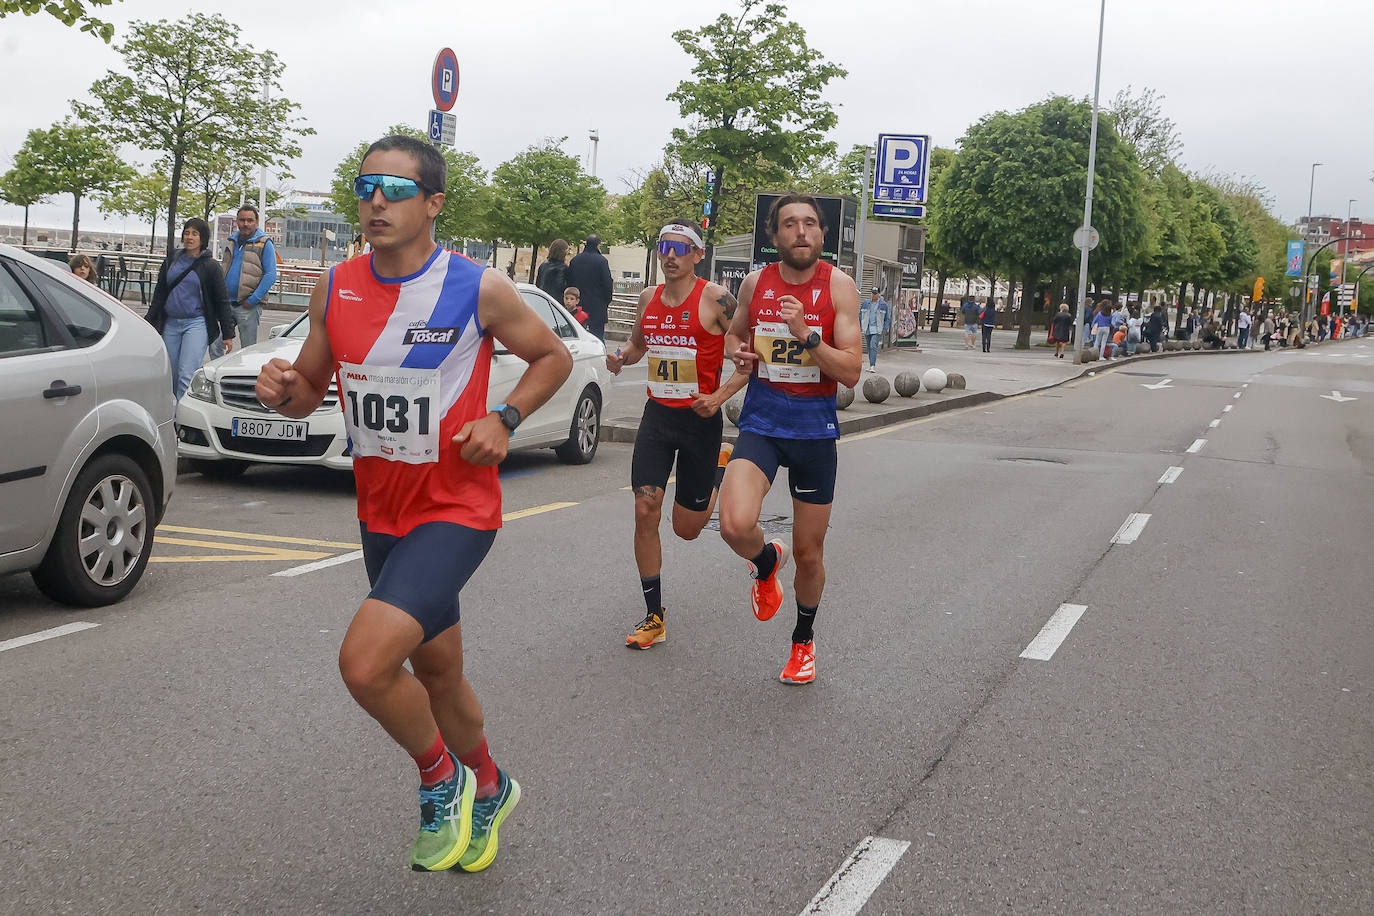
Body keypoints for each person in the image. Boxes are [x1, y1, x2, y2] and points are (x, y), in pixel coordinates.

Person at [254, 135, 572, 873]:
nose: (375, 202)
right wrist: (282, 392)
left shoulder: (476, 287)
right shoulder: (335, 285)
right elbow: (306, 391)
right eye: (367, 187)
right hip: (380, 512)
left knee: (364, 665)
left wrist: (506, 419)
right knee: (438, 673)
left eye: (395, 191)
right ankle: (491, 785)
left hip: (455, 509)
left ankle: (444, 781)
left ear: (433, 204)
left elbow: (552, 357)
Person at [718, 192, 862, 685]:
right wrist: (740, 354)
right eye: (790, 224)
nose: (801, 231)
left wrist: (807, 334)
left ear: (822, 234)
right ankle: (764, 561)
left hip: (814, 435)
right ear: (774, 235)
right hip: (761, 425)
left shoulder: (839, 288)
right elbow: (734, 337)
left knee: (809, 553)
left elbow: (850, 372)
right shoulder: (756, 283)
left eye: (810, 224)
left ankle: (802, 642)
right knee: (735, 525)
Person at [606, 220, 749, 650]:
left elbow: (748, 360)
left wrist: (718, 397)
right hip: (657, 418)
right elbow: (637, 347)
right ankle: (654, 615)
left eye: (680, 248)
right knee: (645, 509)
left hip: (700, 422)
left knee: (686, 529)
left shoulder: (716, 300)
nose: (670, 255)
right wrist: (620, 358)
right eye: (664, 246)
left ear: (697, 256)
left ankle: (717, 473)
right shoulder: (648, 298)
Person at [146, 217, 235, 400]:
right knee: (169, 372)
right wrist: (149, 321)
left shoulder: (210, 266)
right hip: (171, 322)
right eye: (187, 233)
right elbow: (160, 292)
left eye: (195, 233)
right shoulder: (172, 259)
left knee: (186, 374)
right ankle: (170, 415)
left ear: (203, 238)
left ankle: (181, 420)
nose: (190, 237)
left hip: (195, 324)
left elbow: (221, 300)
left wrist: (227, 333)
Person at [210, 203, 278, 357]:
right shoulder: (232, 241)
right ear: (237, 221)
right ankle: (217, 377)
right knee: (215, 342)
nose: (245, 224)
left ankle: (243, 378)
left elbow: (270, 275)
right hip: (225, 303)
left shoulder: (264, 243)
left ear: (256, 222)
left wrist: (253, 300)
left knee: (248, 349)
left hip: (248, 306)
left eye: (249, 220)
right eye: (242, 220)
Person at [566, 233, 613, 341]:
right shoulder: (602, 261)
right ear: (598, 245)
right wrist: (606, 301)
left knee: (576, 337)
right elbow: (607, 284)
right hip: (597, 306)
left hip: (577, 307)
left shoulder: (575, 260)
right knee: (597, 339)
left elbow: (569, 282)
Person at [859, 286, 891, 373]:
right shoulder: (866, 303)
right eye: (872, 293)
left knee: (873, 345)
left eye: (875, 293)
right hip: (867, 328)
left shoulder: (883, 305)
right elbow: (860, 315)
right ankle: (870, 365)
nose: (873, 295)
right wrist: (859, 326)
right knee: (869, 347)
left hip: (877, 329)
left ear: (879, 294)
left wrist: (885, 329)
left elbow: (887, 318)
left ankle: (873, 365)